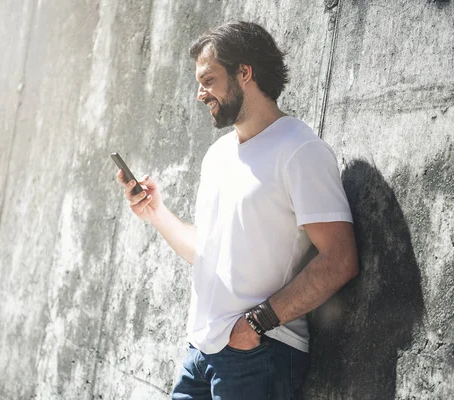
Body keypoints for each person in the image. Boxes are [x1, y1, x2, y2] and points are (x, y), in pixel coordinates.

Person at [115, 21, 358, 400]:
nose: (200, 94)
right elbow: (207, 252)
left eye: (209, 80)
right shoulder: (218, 155)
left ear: (244, 73)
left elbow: (340, 258)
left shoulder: (299, 149)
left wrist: (254, 326)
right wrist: (156, 213)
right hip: (202, 352)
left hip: (259, 354)